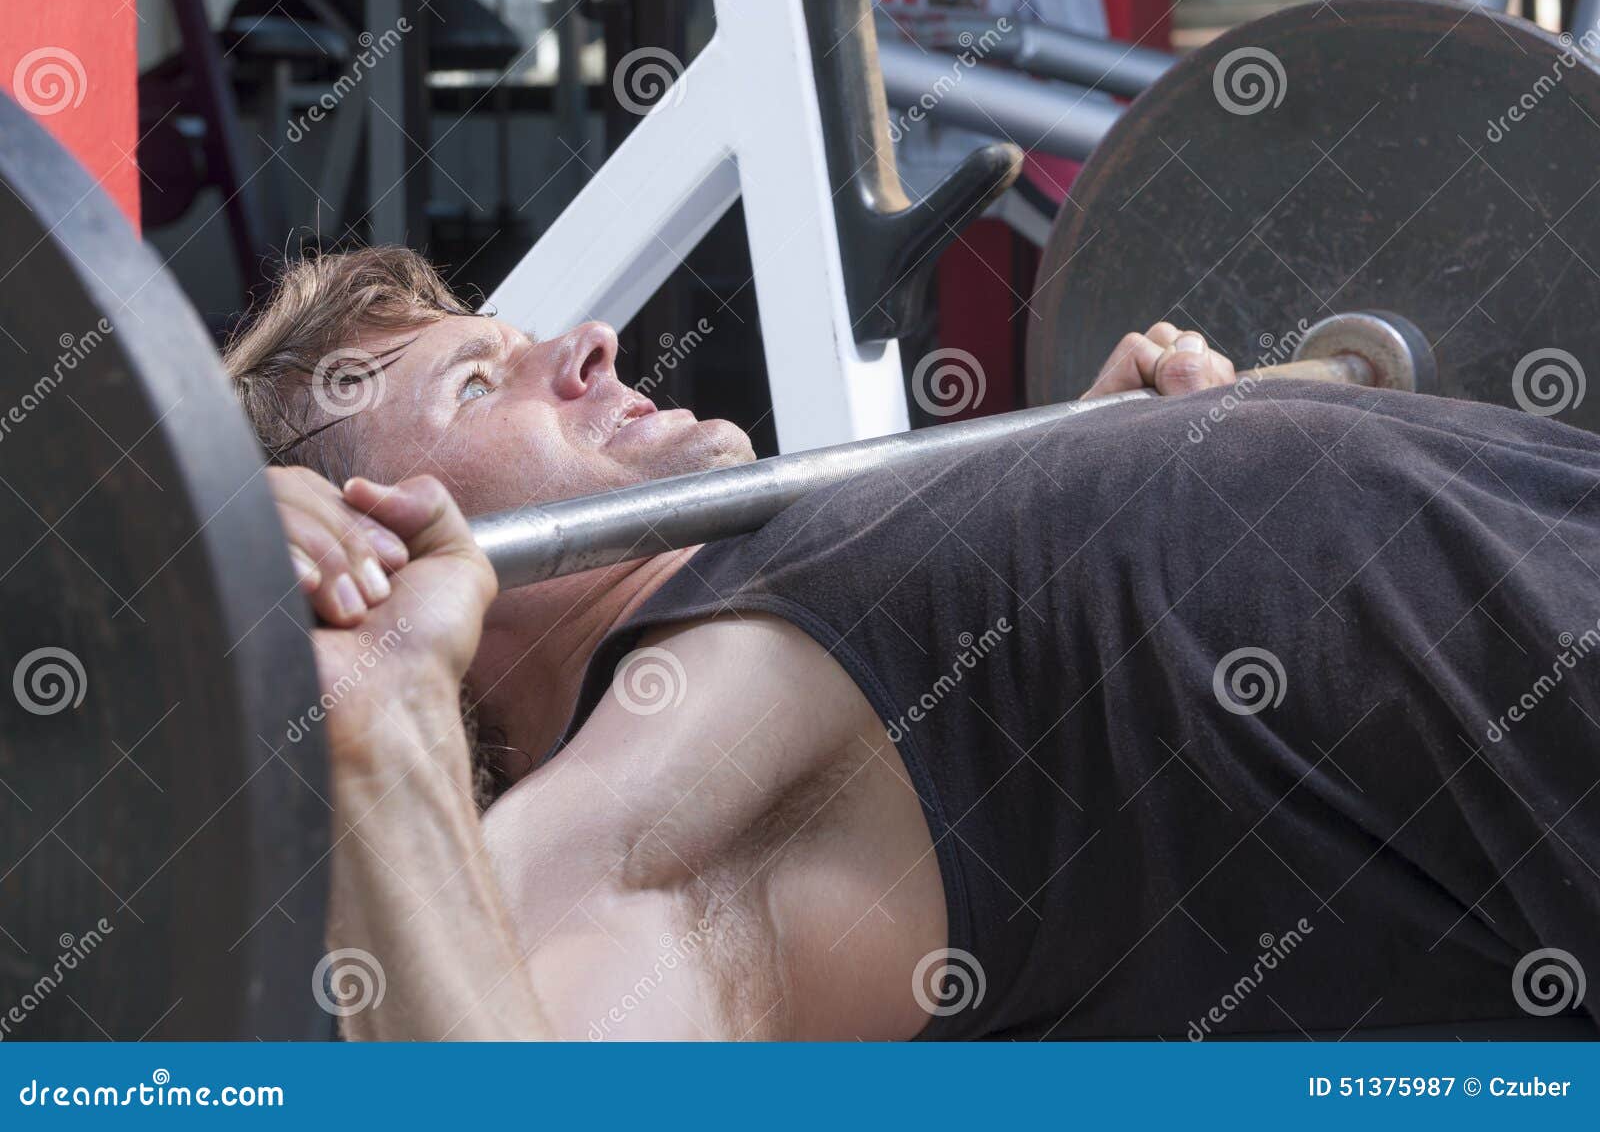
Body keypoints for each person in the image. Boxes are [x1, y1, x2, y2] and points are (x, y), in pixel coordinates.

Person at [228, 247, 1599, 1040]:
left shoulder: (808, 572)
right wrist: (381, 712)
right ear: (378, 564)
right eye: (479, 380)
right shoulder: (657, 757)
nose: (583, 345)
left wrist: (1102, 505)